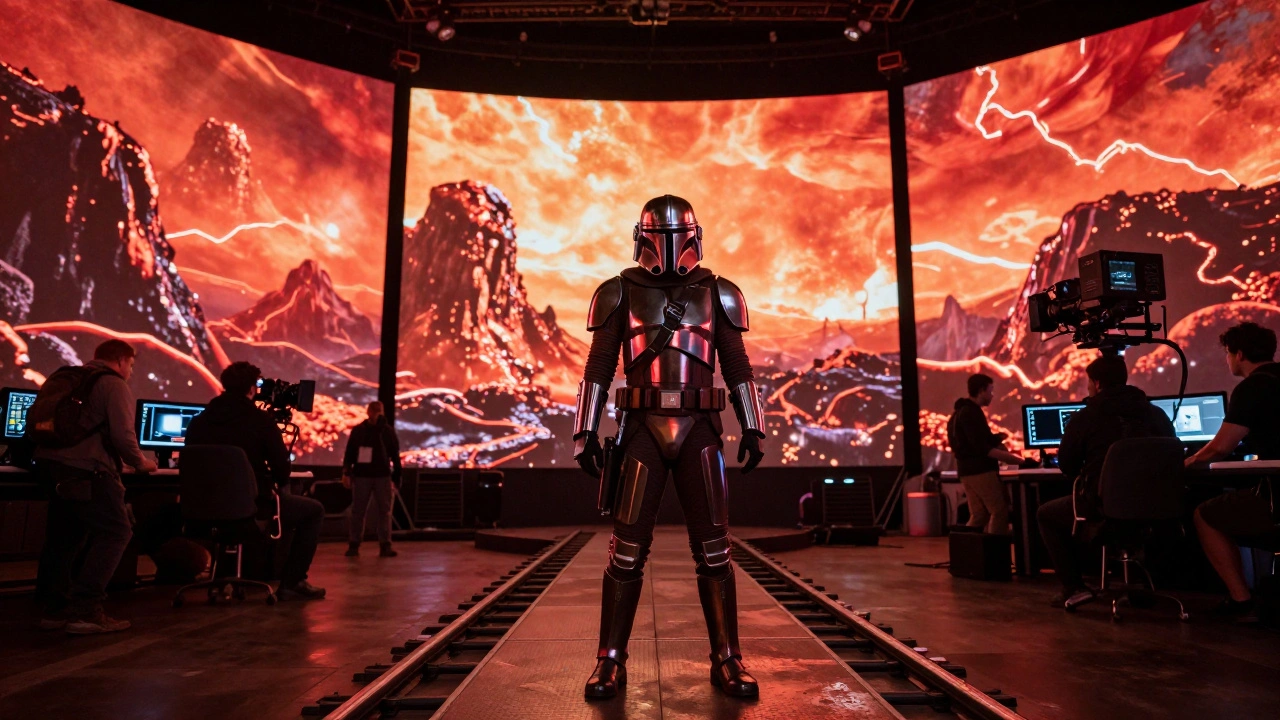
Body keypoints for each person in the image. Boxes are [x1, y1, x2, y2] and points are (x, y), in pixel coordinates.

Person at [573, 196, 765, 700]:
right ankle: (609, 661)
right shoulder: (618, 292)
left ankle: (726, 658)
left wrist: (753, 426)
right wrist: (584, 430)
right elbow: (599, 365)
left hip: (700, 426)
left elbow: (735, 363)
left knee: (715, 550)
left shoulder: (718, 293)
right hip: (643, 429)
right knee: (627, 551)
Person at [34, 339, 158, 634]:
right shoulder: (113, 384)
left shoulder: (67, 377)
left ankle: (54, 611)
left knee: (64, 537)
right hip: (89, 470)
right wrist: (141, 463)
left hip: (52, 467)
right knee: (117, 532)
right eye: (130, 365)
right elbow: (123, 435)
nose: (130, 372)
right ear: (121, 361)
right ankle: (86, 610)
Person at [1036, 354, 1175, 609]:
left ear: (1097, 383)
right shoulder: (1156, 414)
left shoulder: (1085, 417)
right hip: (1159, 507)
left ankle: (1073, 588)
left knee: (1046, 514)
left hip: (1104, 508)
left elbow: (1067, 466)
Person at [184, 361, 326, 600]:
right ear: (252, 390)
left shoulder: (198, 422)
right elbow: (282, 472)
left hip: (200, 511)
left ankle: (222, 580)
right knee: (314, 511)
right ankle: (292, 582)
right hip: (249, 511)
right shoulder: (260, 421)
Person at [1186, 322, 1280, 623]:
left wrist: (1187, 462)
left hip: (1277, 499)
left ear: (1239, 354)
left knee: (1205, 515)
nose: (1227, 360)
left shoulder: (1253, 386)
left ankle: (1242, 601)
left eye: (1227, 353)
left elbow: (1220, 448)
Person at [947, 373, 1024, 534]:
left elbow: (978, 441)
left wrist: (997, 439)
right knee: (999, 511)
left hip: (966, 471)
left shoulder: (960, 412)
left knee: (979, 515)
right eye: (990, 391)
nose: (992, 395)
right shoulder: (971, 413)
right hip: (980, 471)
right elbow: (983, 448)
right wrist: (1020, 461)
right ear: (981, 390)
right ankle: (995, 555)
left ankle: (969, 555)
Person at [342, 401, 403, 558]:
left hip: (380, 475)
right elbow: (350, 453)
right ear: (369, 412)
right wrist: (347, 472)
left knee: (382, 511)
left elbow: (395, 454)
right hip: (365, 475)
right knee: (361, 511)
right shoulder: (361, 431)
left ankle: (382, 544)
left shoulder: (386, 431)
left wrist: (396, 475)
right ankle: (356, 544)